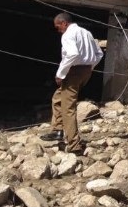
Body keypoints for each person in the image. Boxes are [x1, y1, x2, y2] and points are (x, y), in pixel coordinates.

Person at [40, 12, 104, 154]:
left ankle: (74, 145)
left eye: (58, 27)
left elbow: (73, 54)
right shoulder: (86, 32)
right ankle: (57, 130)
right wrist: (90, 67)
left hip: (73, 72)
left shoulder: (68, 34)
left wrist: (60, 73)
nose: (58, 30)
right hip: (85, 72)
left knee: (68, 108)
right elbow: (99, 53)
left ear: (64, 23)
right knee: (58, 98)